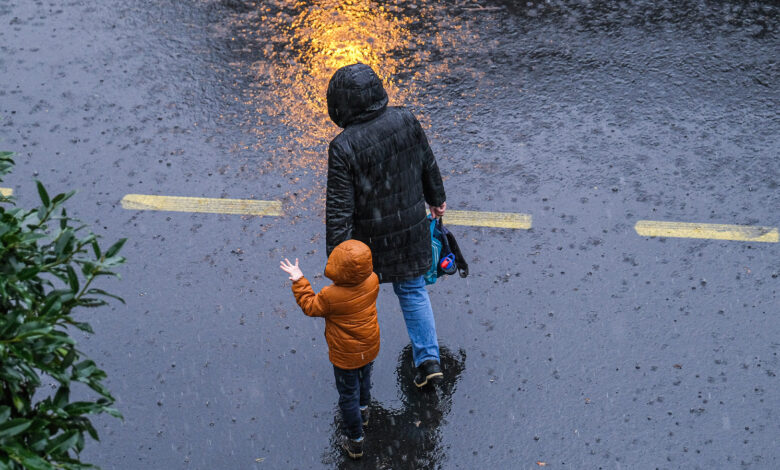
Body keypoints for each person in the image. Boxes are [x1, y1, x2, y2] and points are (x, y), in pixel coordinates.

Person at [324, 62, 447, 388]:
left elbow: (339, 210)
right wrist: (436, 197)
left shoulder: (343, 147)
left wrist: (337, 258)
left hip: (369, 243)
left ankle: (360, 381)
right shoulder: (405, 119)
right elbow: (427, 161)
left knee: (360, 304)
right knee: (413, 291)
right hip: (409, 232)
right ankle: (429, 360)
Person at [279, 240, 380, 459]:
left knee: (347, 395)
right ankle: (365, 412)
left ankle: (355, 440)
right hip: (369, 345)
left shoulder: (330, 296)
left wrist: (299, 280)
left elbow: (310, 305)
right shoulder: (373, 280)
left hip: (345, 354)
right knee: (364, 380)